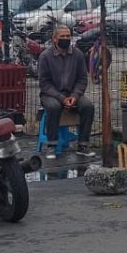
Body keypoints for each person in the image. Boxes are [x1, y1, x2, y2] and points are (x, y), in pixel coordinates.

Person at [36, 25, 96, 160]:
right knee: (53, 107)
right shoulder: (45, 56)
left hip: (72, 93)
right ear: (54, 39)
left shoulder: (78, 55)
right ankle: (51, 145)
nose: (65, 39)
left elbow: (82, 79)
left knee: (88, 106)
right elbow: (44, 84)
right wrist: (62, 98)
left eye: (68, 36)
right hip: (50, 95)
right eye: (62, 37)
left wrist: (74, 96)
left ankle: (83, 145)